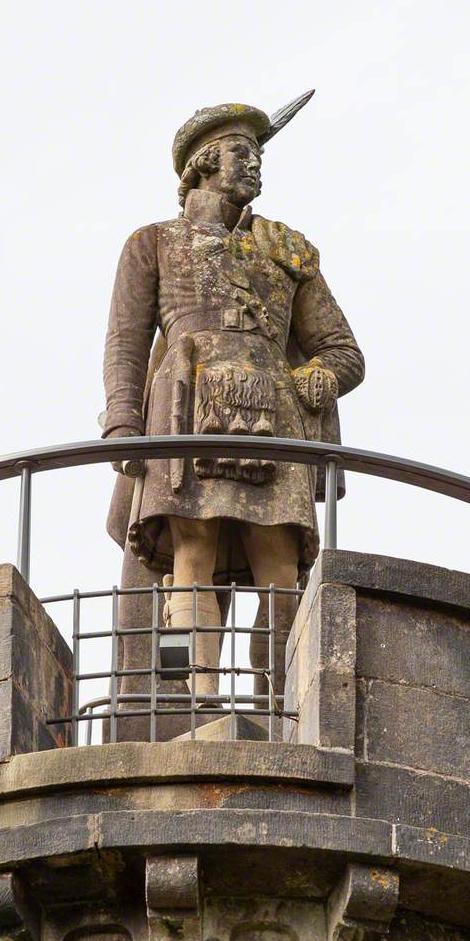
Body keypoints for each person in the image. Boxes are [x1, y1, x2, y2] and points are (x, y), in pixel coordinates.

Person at [101, 98, 364, 701]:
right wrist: (122, 421)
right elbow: (127, 342)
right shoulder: (154, 243)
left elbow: (343, 350)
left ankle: (284, 700)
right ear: (203, 163)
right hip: (184, 410)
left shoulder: (288, 249)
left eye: (259, 153)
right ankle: (192, 695)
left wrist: (311, 383)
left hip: (275, 419)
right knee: (189, 554)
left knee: (278, 561)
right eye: (242, 152)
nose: (256, 165)